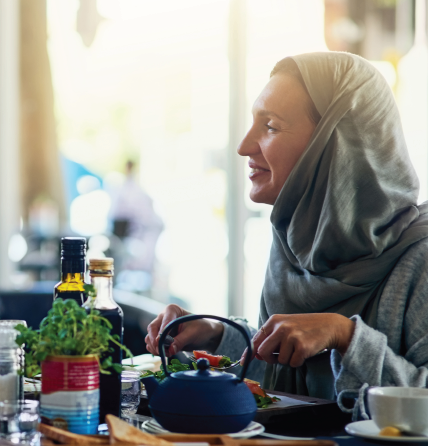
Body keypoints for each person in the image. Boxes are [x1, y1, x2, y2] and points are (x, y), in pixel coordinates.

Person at [145, 52, 428, 418]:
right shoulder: (293, 246)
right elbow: (292, 383)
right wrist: (217, 333)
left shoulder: (420, 257)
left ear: (335, 145)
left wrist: (346, 337)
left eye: (271, 126)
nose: (244, 146)